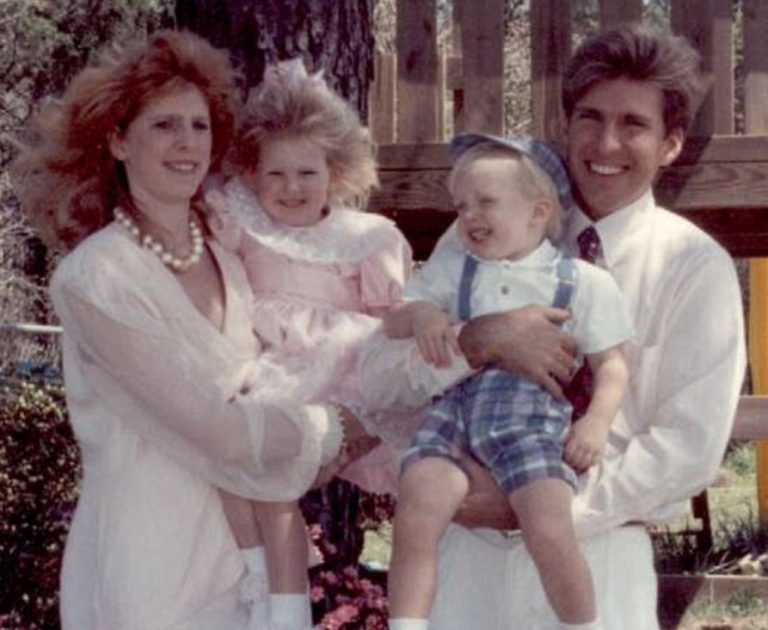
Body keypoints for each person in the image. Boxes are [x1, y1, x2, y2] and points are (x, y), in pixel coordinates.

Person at [358, 23, 746, 629]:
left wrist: (534, 505)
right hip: (470, 563)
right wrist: (473, 340)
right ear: (564, 125)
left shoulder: (694, 268)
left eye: (634, 124)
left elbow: (686, 448)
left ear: (671, 144)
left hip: (599, 552)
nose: (606, 142)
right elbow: (376, 380)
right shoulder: (483, 234)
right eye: (589, 117)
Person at [11, 30, 376, 630]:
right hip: (153, 568)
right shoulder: (97, 277)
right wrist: (338, 427)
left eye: (199, 125)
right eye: (163, 126)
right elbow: (215, 427)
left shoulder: (231, 257)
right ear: (117, 140)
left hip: (251, 558)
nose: (187, 144)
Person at [384, 137, 632, 630]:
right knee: (417, 505)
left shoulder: (581, 281)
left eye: (486, 202)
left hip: (529, 421)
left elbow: (614, 366)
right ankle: (407, 624)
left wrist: (595, 425)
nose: (468, 215)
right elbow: (393, 318)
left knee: (549, 528)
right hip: (453, 413)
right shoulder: (454, 268)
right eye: (461, 205)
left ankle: (584, 624)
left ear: (538, 213)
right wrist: (423, 316)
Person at [204, 58, 412, 629]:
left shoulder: (367, 239)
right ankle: (267, 589)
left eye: (307, 173)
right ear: (251, 174)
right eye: (274, 174)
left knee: (276, 470)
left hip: (341, 367)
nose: (291, 188)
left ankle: (290, 606)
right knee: (243, 469)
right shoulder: (242, 223)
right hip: (269, 364)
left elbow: (389, 322)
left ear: (336, 173)